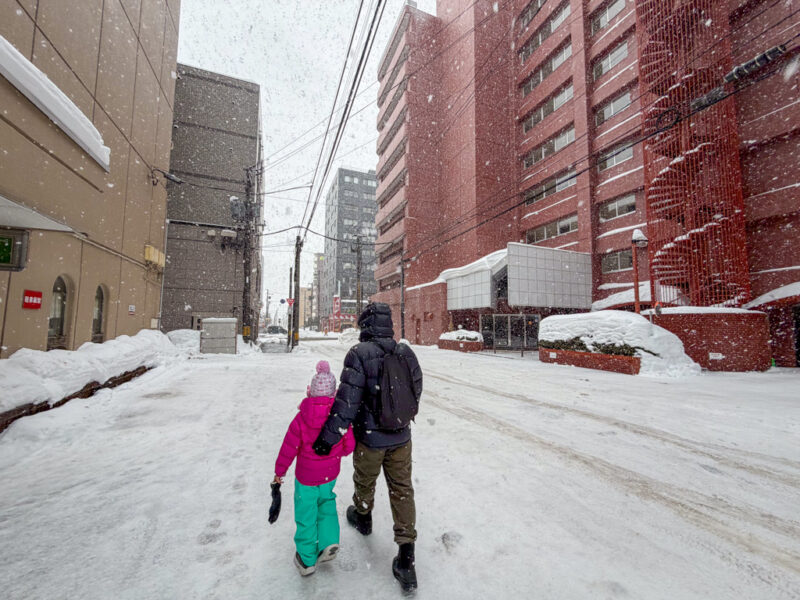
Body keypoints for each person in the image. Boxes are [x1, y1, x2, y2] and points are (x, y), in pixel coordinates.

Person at [312, 302, 423, 593]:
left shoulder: (359, 354)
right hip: (401, 437)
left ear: (366, 325)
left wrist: (328, 438)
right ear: (388, 325)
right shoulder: (405, 351)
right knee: (402, 489)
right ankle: (407, 558)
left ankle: (363, 516)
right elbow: (416, 386)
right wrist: (399, 414)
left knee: (365, 480)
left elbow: (346, 403)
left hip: (370, 438)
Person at [272, 360, 355, 576]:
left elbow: (288, 449)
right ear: (334, 393)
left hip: (306, 479)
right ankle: (328, 541)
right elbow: (349, 447)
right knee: (326, 505)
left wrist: (279, 472)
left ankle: (307, 559)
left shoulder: (301, 418)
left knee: (306, 514)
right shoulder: (339, 418)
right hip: (329, 475)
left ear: (310, 391)